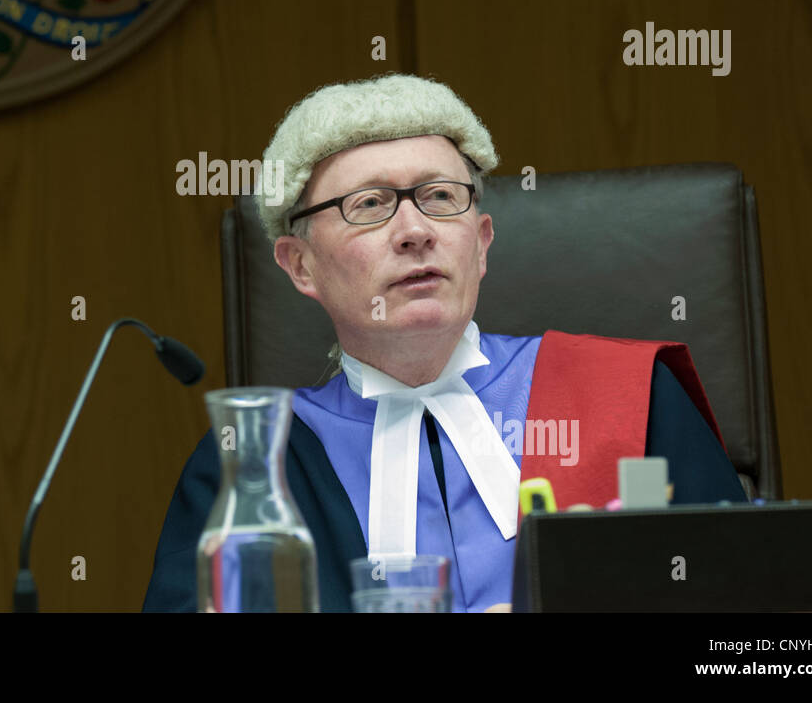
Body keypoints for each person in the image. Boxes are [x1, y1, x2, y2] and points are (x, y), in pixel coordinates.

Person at [144, 74, 746, 612]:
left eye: (439, 197)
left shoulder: (632, 398)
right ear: (300, 266)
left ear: (481, 242)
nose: (414, 232)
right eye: (370, 205)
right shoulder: (256, 464)